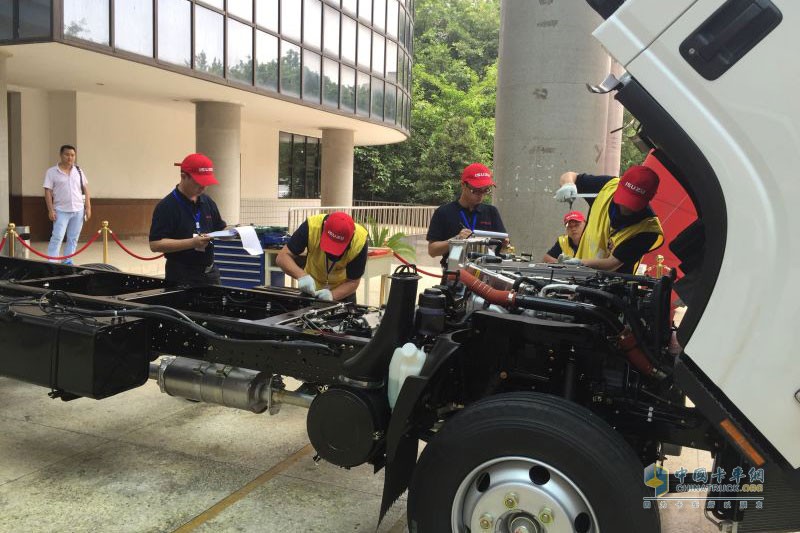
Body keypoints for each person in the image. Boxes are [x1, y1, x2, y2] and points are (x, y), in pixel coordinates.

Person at [553, 165, 664, 274]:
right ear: (620, 185)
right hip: (579, 274)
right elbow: (570, 175)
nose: (626, 207)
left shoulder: (648, 229)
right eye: (625, 197)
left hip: (612, 284)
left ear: (649, 199)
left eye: (633, 202)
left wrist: (579, 263)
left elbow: (611, 264)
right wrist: (568, 184)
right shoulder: (607, 186)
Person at [149, 153, 227, 286]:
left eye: (206, 184)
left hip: (210, 274)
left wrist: (232, 233)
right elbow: (155, 244)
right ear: (183, 176)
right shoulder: (167, 206)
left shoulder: (207, 201)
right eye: (199, 183)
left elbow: (220, 227)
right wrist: (192, 243)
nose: (203, 188)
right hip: (181, 276)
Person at [276, 212, 368, 302]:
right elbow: (283, 256)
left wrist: (332, 295)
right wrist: (301, 276)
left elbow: (353, 282)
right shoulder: (311, 226)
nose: (333, 252)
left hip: (342, 291)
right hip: (311, 288)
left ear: (352, 235)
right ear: (324, 225)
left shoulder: (359, 241)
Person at [426, 163, 507, 265]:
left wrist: (504, 245)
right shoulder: (444, 212)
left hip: (486, 270)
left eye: (486, 190)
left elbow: (503, 247)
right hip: (454, 269)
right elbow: (432, 251)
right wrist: (457, 240)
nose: (481, 196)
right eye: (476, 191)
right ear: (463, 185)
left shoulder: (491, 212)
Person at [43, 145, 92, 264]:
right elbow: (47, 191)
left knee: (73, 238)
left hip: (78, 210)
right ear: (61, 155)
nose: (70, 157)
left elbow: (85, 189)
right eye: (67, 154)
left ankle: (67, 261)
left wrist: (88, 207)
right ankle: (52, 261)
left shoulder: (79, 171)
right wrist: (50, 210)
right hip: (61, 210)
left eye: (72, 155)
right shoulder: (52, 172)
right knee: (57, 237)